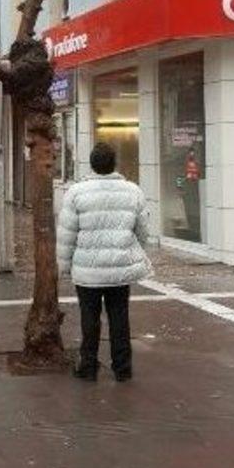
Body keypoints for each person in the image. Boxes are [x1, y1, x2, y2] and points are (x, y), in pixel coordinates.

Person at [57, 141, 151, 383]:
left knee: (89, 318)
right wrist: (135, 249)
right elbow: (143, 231)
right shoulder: (133, 191)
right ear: (114, 164)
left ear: (91, 165)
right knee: (120, 317)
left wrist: (64, 267)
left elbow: (67, 236)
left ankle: (88, 366)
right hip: (120, 268)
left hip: (87, 270)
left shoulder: (76, 193)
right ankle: (123, 368)